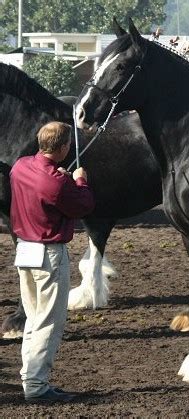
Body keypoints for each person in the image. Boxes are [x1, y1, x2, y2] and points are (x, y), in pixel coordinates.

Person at [10, 121, 95, 402]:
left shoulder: (20, 166)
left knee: (34, 320)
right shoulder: (58, 183)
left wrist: (62, 178)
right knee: (49, 322)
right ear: (62, 148)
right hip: (49, 254)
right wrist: (79, 180)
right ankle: (36, 386)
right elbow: (84, 205)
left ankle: (30, 379)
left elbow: (40, 184)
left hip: (24, 250)